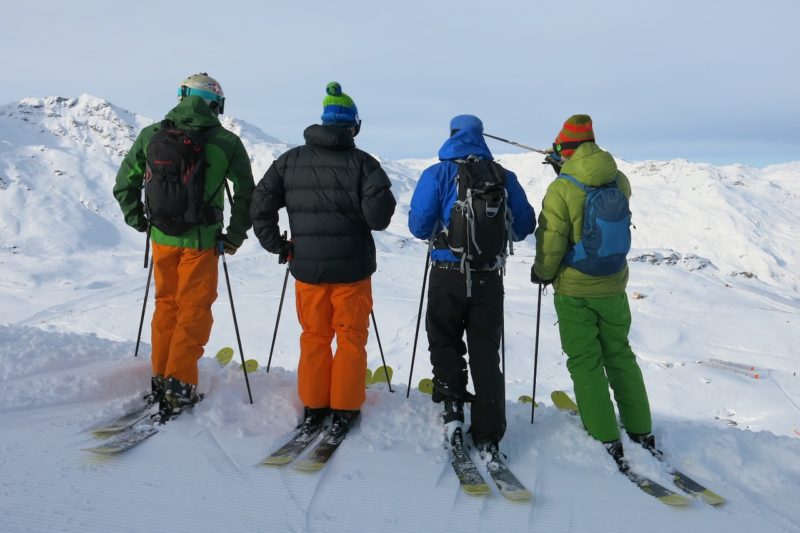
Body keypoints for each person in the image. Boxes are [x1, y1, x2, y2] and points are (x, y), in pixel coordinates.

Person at [250, 82, 396, 441]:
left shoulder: (290, 161)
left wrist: (279, 246)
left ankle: (314, 405)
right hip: (353, 271)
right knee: (350, 338)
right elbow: (379, 218)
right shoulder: (363, 164)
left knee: (314, 336)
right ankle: (345, 408)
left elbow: (260, 205)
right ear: (353, 126)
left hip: (307, 269)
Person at [113, 73, 255, 419]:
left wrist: (141, 222)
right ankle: (180, 385)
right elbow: (247, 194)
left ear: (182, 97)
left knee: (166, 305)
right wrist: (234, 236)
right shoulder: (226, 142)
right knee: (193, 308)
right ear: (215, 104)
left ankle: (161, 377)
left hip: (161, 238)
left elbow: (123, 184)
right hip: (201, 241)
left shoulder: (152, 134)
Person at [408, 114, 535, 458]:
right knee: (485, 350)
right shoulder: (503, 177)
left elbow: (419, 225)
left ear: (451, 136)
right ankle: (489, 430)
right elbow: (524, 226)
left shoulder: (437, 174)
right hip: (488, 277)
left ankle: (452, 410)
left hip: (447, 271)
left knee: (444, 338)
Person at [531, 114, 652, 463]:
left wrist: (542, 272)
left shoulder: (562, 188)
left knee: (585, 360)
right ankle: (640, 427)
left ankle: (603, 433)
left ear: (564, 149)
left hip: (574, 288)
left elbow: (552, 240)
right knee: (620, 355)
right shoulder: (619, 179)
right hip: (614, 283)